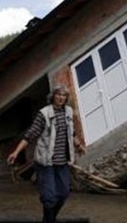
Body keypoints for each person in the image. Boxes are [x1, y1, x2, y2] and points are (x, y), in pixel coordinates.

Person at [7, 84, 85, 223]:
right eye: (58, 94)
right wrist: (16, 152)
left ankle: (49, 219)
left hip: (63, 162)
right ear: (53, 96)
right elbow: (30, 136)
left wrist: (78, 145)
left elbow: (71, 132)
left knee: (63, 193)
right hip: (46, 162)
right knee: (49, 197)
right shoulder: (44, 114)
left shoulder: (68, 111)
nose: (61, 98)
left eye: (63, 95)